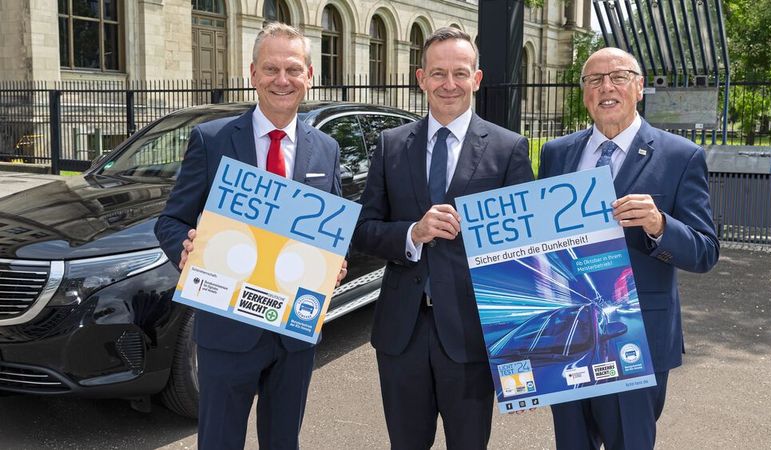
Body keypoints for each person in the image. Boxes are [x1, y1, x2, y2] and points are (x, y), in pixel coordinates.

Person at [155, 23, 345, 449]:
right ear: (253, 74)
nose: (283, 80)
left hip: (294, 335)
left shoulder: (326, 149)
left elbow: (331, 229)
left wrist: (336, 262)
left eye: (293, 69)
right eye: (271, 69)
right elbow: (169, 221)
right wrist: (185, 249)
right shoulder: (212, 140)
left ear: (310, 75)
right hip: (227, 330)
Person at [352, 27, 534, 449]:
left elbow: (526, 252)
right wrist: (412, 233)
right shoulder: (392, 145)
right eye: (438, 74)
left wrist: (525, 352)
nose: (448, 84)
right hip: (402, 333)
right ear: (421, 78)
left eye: (459, 73)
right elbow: (363, 230)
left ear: (477, 78)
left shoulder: (509, 149)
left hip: (472, 334)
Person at [538, 47, 720, 450]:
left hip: (636, 339)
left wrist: (659, 225)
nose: (606, 87)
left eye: (618, 76)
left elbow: (705, 251)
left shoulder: (680, 156)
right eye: (593, 80)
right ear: (584, 92)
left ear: (639, 87)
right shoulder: (556, 154)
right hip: (567, 337)